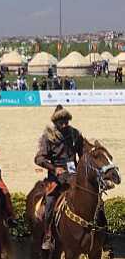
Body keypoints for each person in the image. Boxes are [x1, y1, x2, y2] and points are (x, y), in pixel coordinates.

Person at [34, 105, 85, 250]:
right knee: (50, 203)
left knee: (92, 196)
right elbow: (39, 158)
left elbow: (82, 154)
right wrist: (54, 168)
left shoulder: (75, 134)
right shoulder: (47, 137)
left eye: (66, 121)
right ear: (55, 122)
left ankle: (101, 233)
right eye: (61, 121)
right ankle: (48, 235)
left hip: (74, 175)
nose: (64, 124)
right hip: (55, 177)